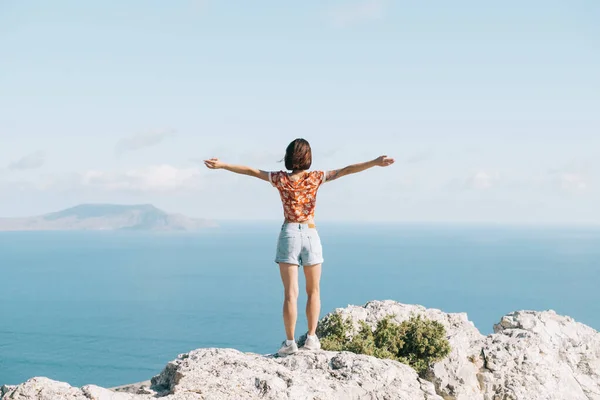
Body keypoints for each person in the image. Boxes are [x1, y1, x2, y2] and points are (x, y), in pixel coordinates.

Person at [204, 138, 394, 356]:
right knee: (313, 291)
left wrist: (223, 165)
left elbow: (251, 171)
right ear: (308, 157)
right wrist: (375, 162)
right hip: (311, 234)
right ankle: (312, 339)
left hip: (289, 234)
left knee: (290, 294)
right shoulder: (316, 178)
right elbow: (347, 170)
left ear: (288, 156)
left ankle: (290, 342)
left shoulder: (279, 178)